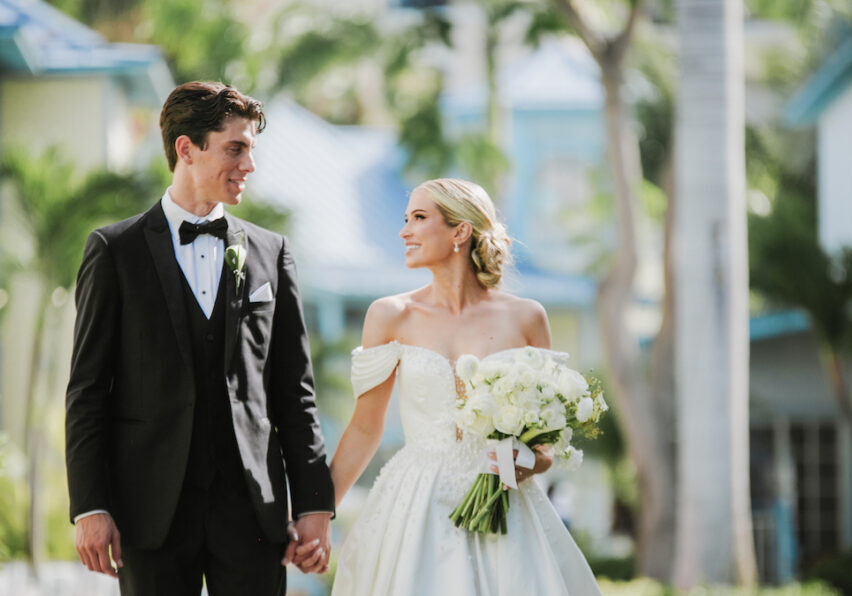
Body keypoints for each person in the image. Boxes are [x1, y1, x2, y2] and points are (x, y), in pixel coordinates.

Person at [65, 81, 334, 596]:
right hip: (150, 511)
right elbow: (88, 391)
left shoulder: (271, 253)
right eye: (235, 149)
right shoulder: (113, 251)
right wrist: (90, 505)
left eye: (251, 151)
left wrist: (315, 504)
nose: (248, 166)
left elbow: (294, 392)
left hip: (253, 510)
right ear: (186, 148)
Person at [329, 178, 601, 595]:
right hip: (414, 506)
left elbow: (544, 449)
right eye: (405, 218)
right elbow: (365, 427)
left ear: (460, 231)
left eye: (419, 218)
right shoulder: (389, 315)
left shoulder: (527, 318)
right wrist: (315, 515)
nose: (404, 231)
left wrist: (527, 463)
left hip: (506, 506)